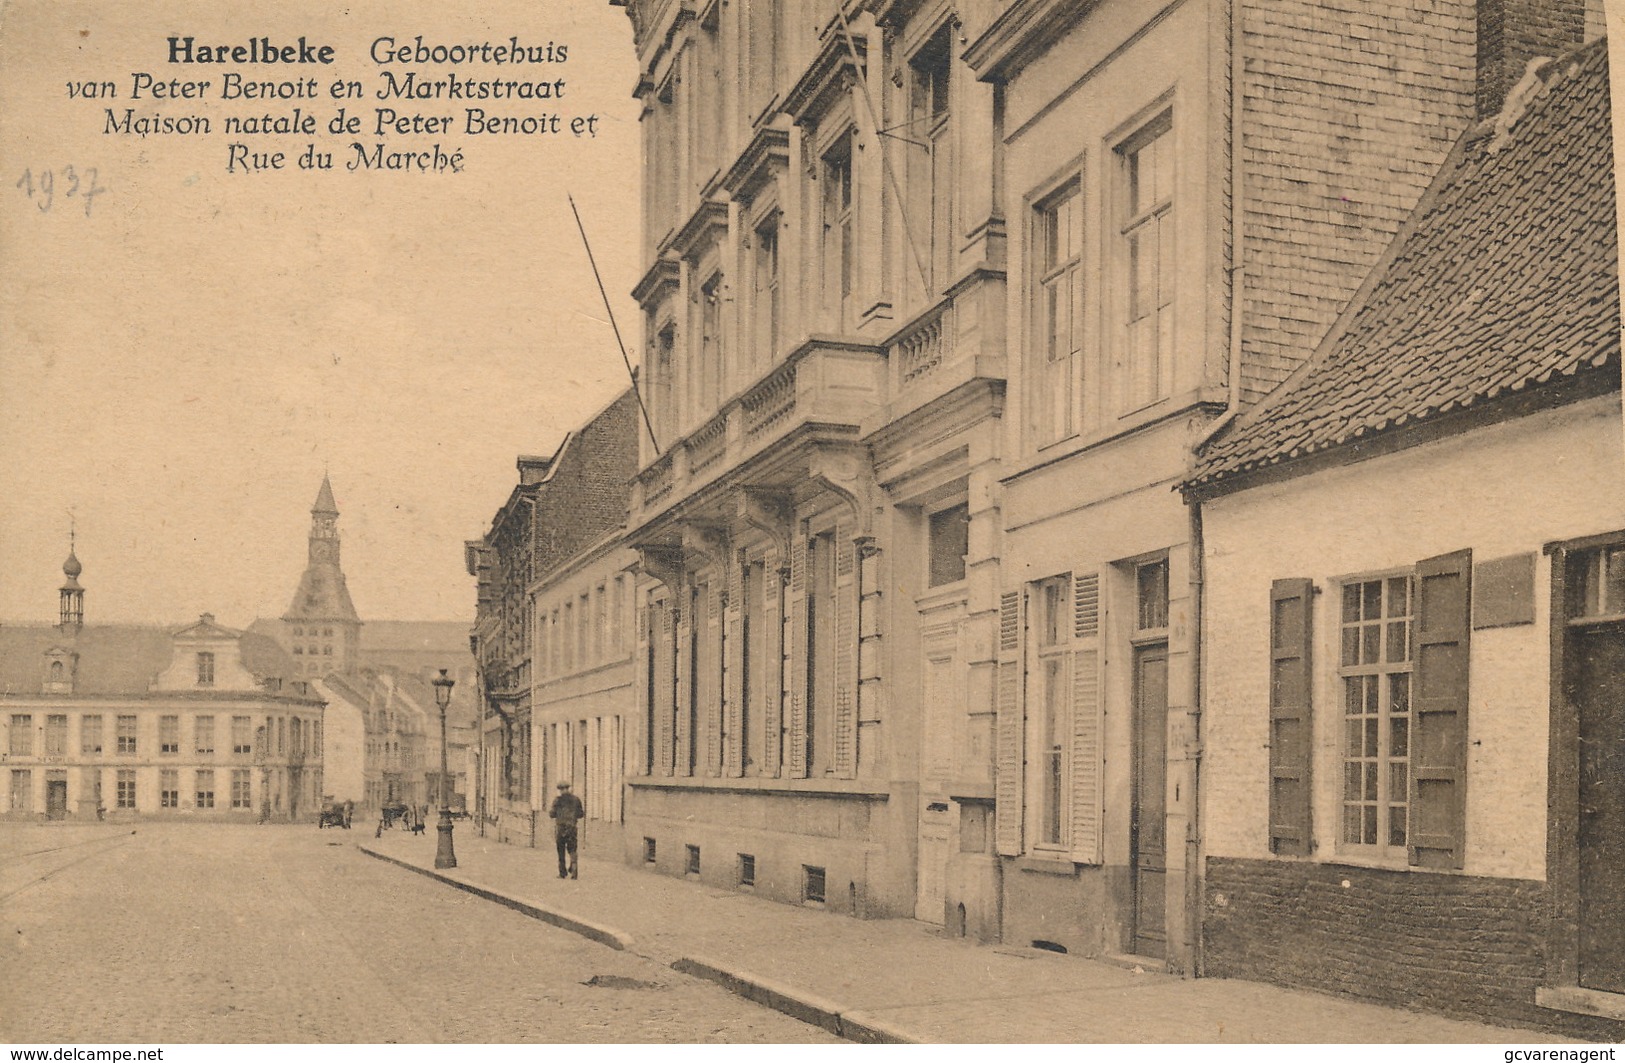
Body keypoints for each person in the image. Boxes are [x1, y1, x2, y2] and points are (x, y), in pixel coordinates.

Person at [549, 781, 584, 879]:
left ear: (560, 790)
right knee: (572, 849)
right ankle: (574, 870)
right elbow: (581, 814)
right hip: (572, 827)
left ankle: (562, 873)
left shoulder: (557, 800)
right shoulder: (576, 800)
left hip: (561, 827)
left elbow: (552, 814)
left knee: (561, 850)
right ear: (568, 788)